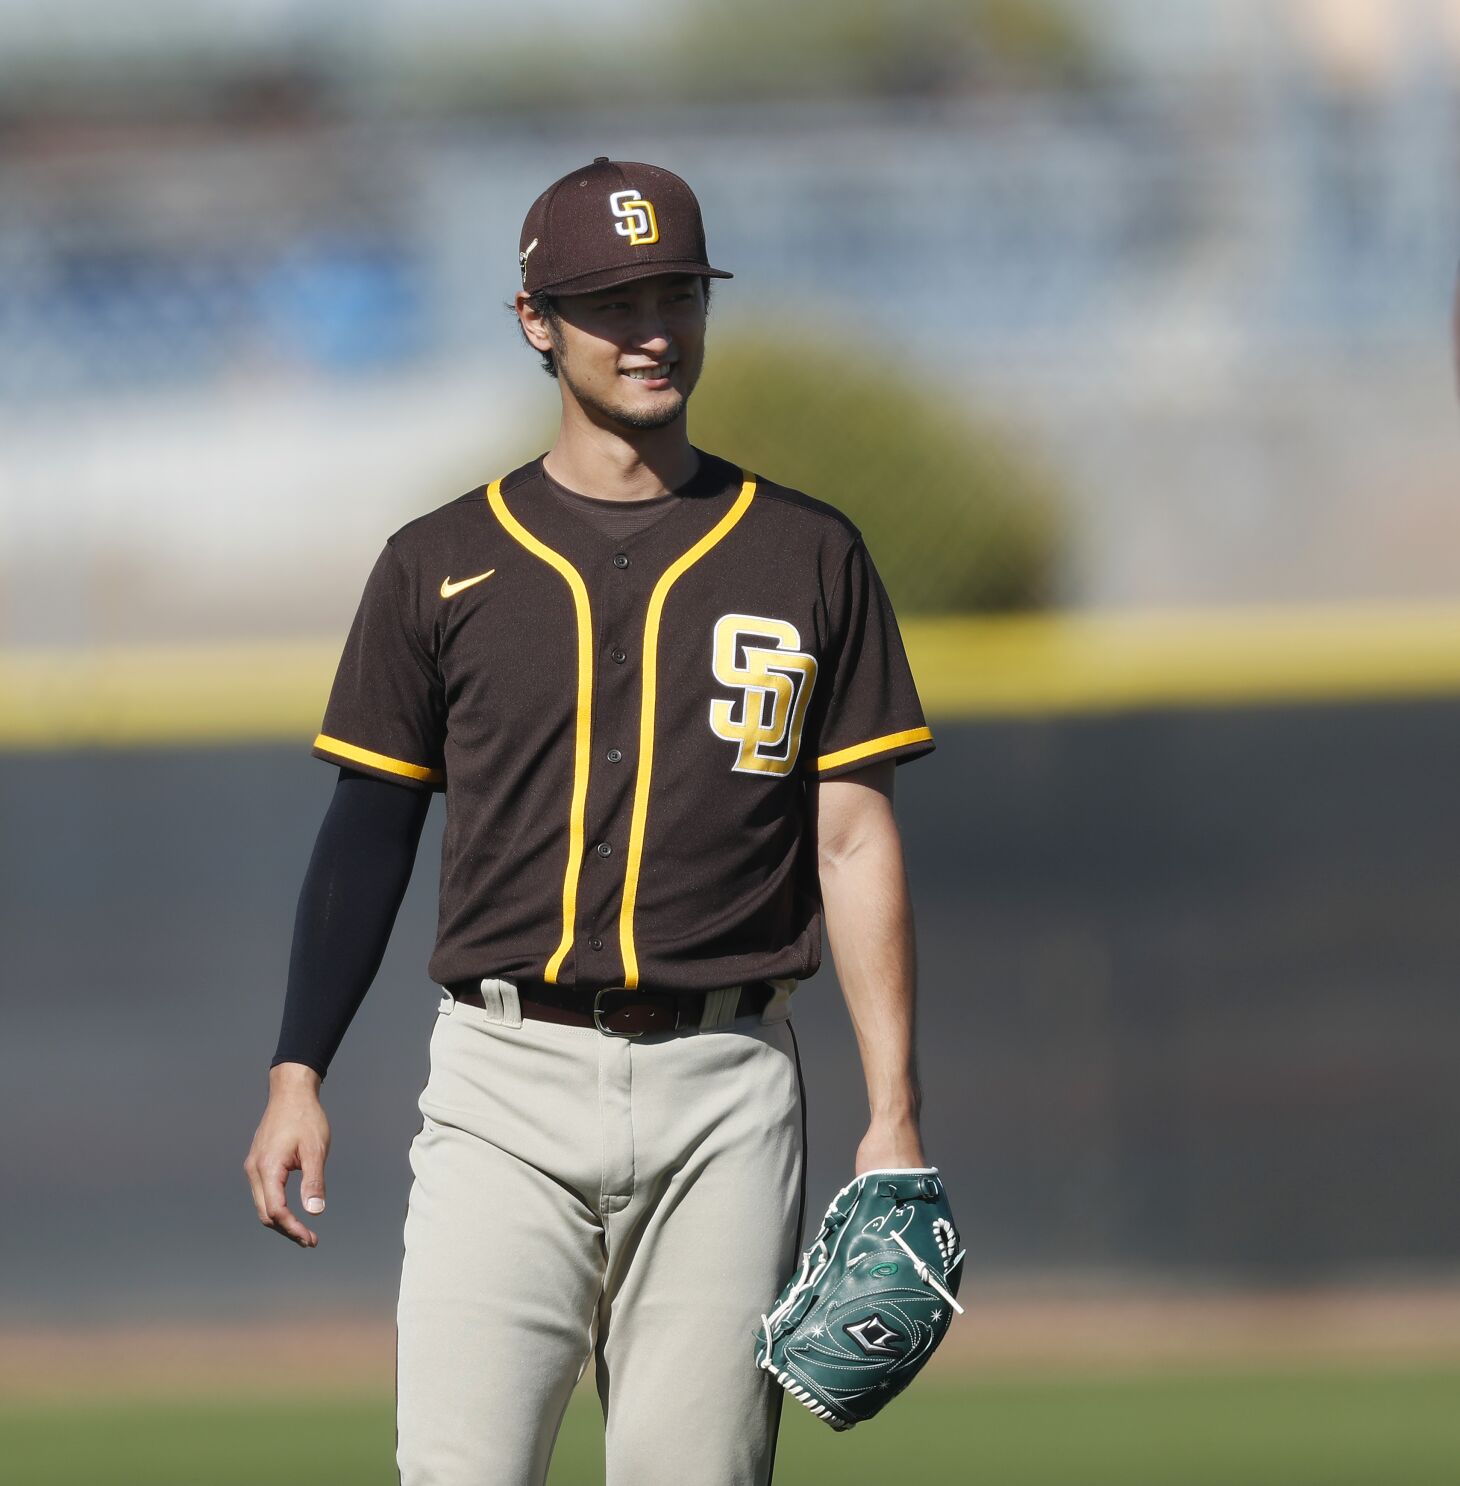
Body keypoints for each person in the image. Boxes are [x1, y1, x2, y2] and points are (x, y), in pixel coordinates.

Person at [243, 156, 938, 1486]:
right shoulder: (440, 559)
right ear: (535, 323)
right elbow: (369, 828)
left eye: (675, 290)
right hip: (506, 1085)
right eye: (611, 300)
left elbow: (853, 840)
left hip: (728, 1084)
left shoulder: (806, 552)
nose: (653, 327)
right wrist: (297, 1071)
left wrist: (894, 1111)